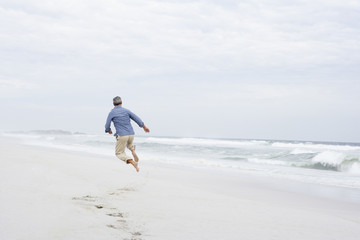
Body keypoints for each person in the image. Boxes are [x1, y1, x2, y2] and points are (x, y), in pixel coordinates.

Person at [105, 96, 150, 172]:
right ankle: (133, 151)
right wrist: (144, 127)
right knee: (129, 144)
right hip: (131, 134)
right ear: (121, 103)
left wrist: (108, 130)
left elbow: (107, 125)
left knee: (119, 153)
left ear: (113, 104)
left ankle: (132, 162)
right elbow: (137, 119)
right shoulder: (126, 111)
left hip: (122, 135)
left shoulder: (112, 113)